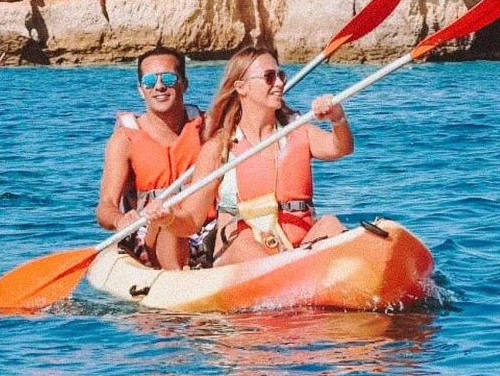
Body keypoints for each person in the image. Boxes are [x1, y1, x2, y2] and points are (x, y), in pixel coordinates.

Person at [164, 45, 353, 268]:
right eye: (269, 77)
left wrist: (337, 118)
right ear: (241, 87)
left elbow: (341, 148)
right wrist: (166, 218)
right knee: (245, 243)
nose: (280, 83)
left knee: (330, 224)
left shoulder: (297, 130)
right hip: (244, 254)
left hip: (300, 247)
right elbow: (191, 222)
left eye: (280, 75)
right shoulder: (219, 148)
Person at [95, 46, 206, 269]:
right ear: (141, 90)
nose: (159, 86)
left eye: (168, 78)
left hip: (202, 228)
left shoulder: (208, 128)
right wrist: (120, 219)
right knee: (169, 224)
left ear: (184, 84)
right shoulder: (124, 140)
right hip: (152, 231)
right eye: (149, 82)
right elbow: (105, 206)